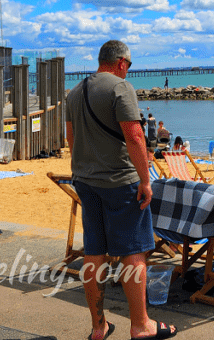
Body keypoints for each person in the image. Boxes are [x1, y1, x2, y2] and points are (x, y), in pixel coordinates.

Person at [65, 40, 177, 340]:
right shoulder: (120, 88)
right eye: (129, 65)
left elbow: (70, 139)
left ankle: (99, 327)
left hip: (86, 182)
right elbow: (135, 137)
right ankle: (141, 325)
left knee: (94, 253)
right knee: (133, 253)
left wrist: (82, 172)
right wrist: (145, 179)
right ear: (122, 63)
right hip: (120, 183)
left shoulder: (75, 92)